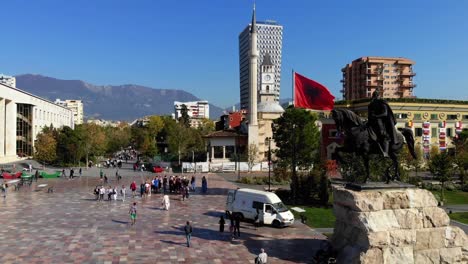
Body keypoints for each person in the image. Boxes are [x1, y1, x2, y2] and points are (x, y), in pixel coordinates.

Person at [367, 90, 399, 158]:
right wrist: (371, 116)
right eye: (374, 96)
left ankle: (385, 152)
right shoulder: (371, 104)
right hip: (373, 120)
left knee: (384, 135)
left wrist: (376, 116)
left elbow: (385, 113)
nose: (374, 97)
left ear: (377, 96)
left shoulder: (382, 102)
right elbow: (369, 113)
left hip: (383, 121)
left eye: (375, 95)